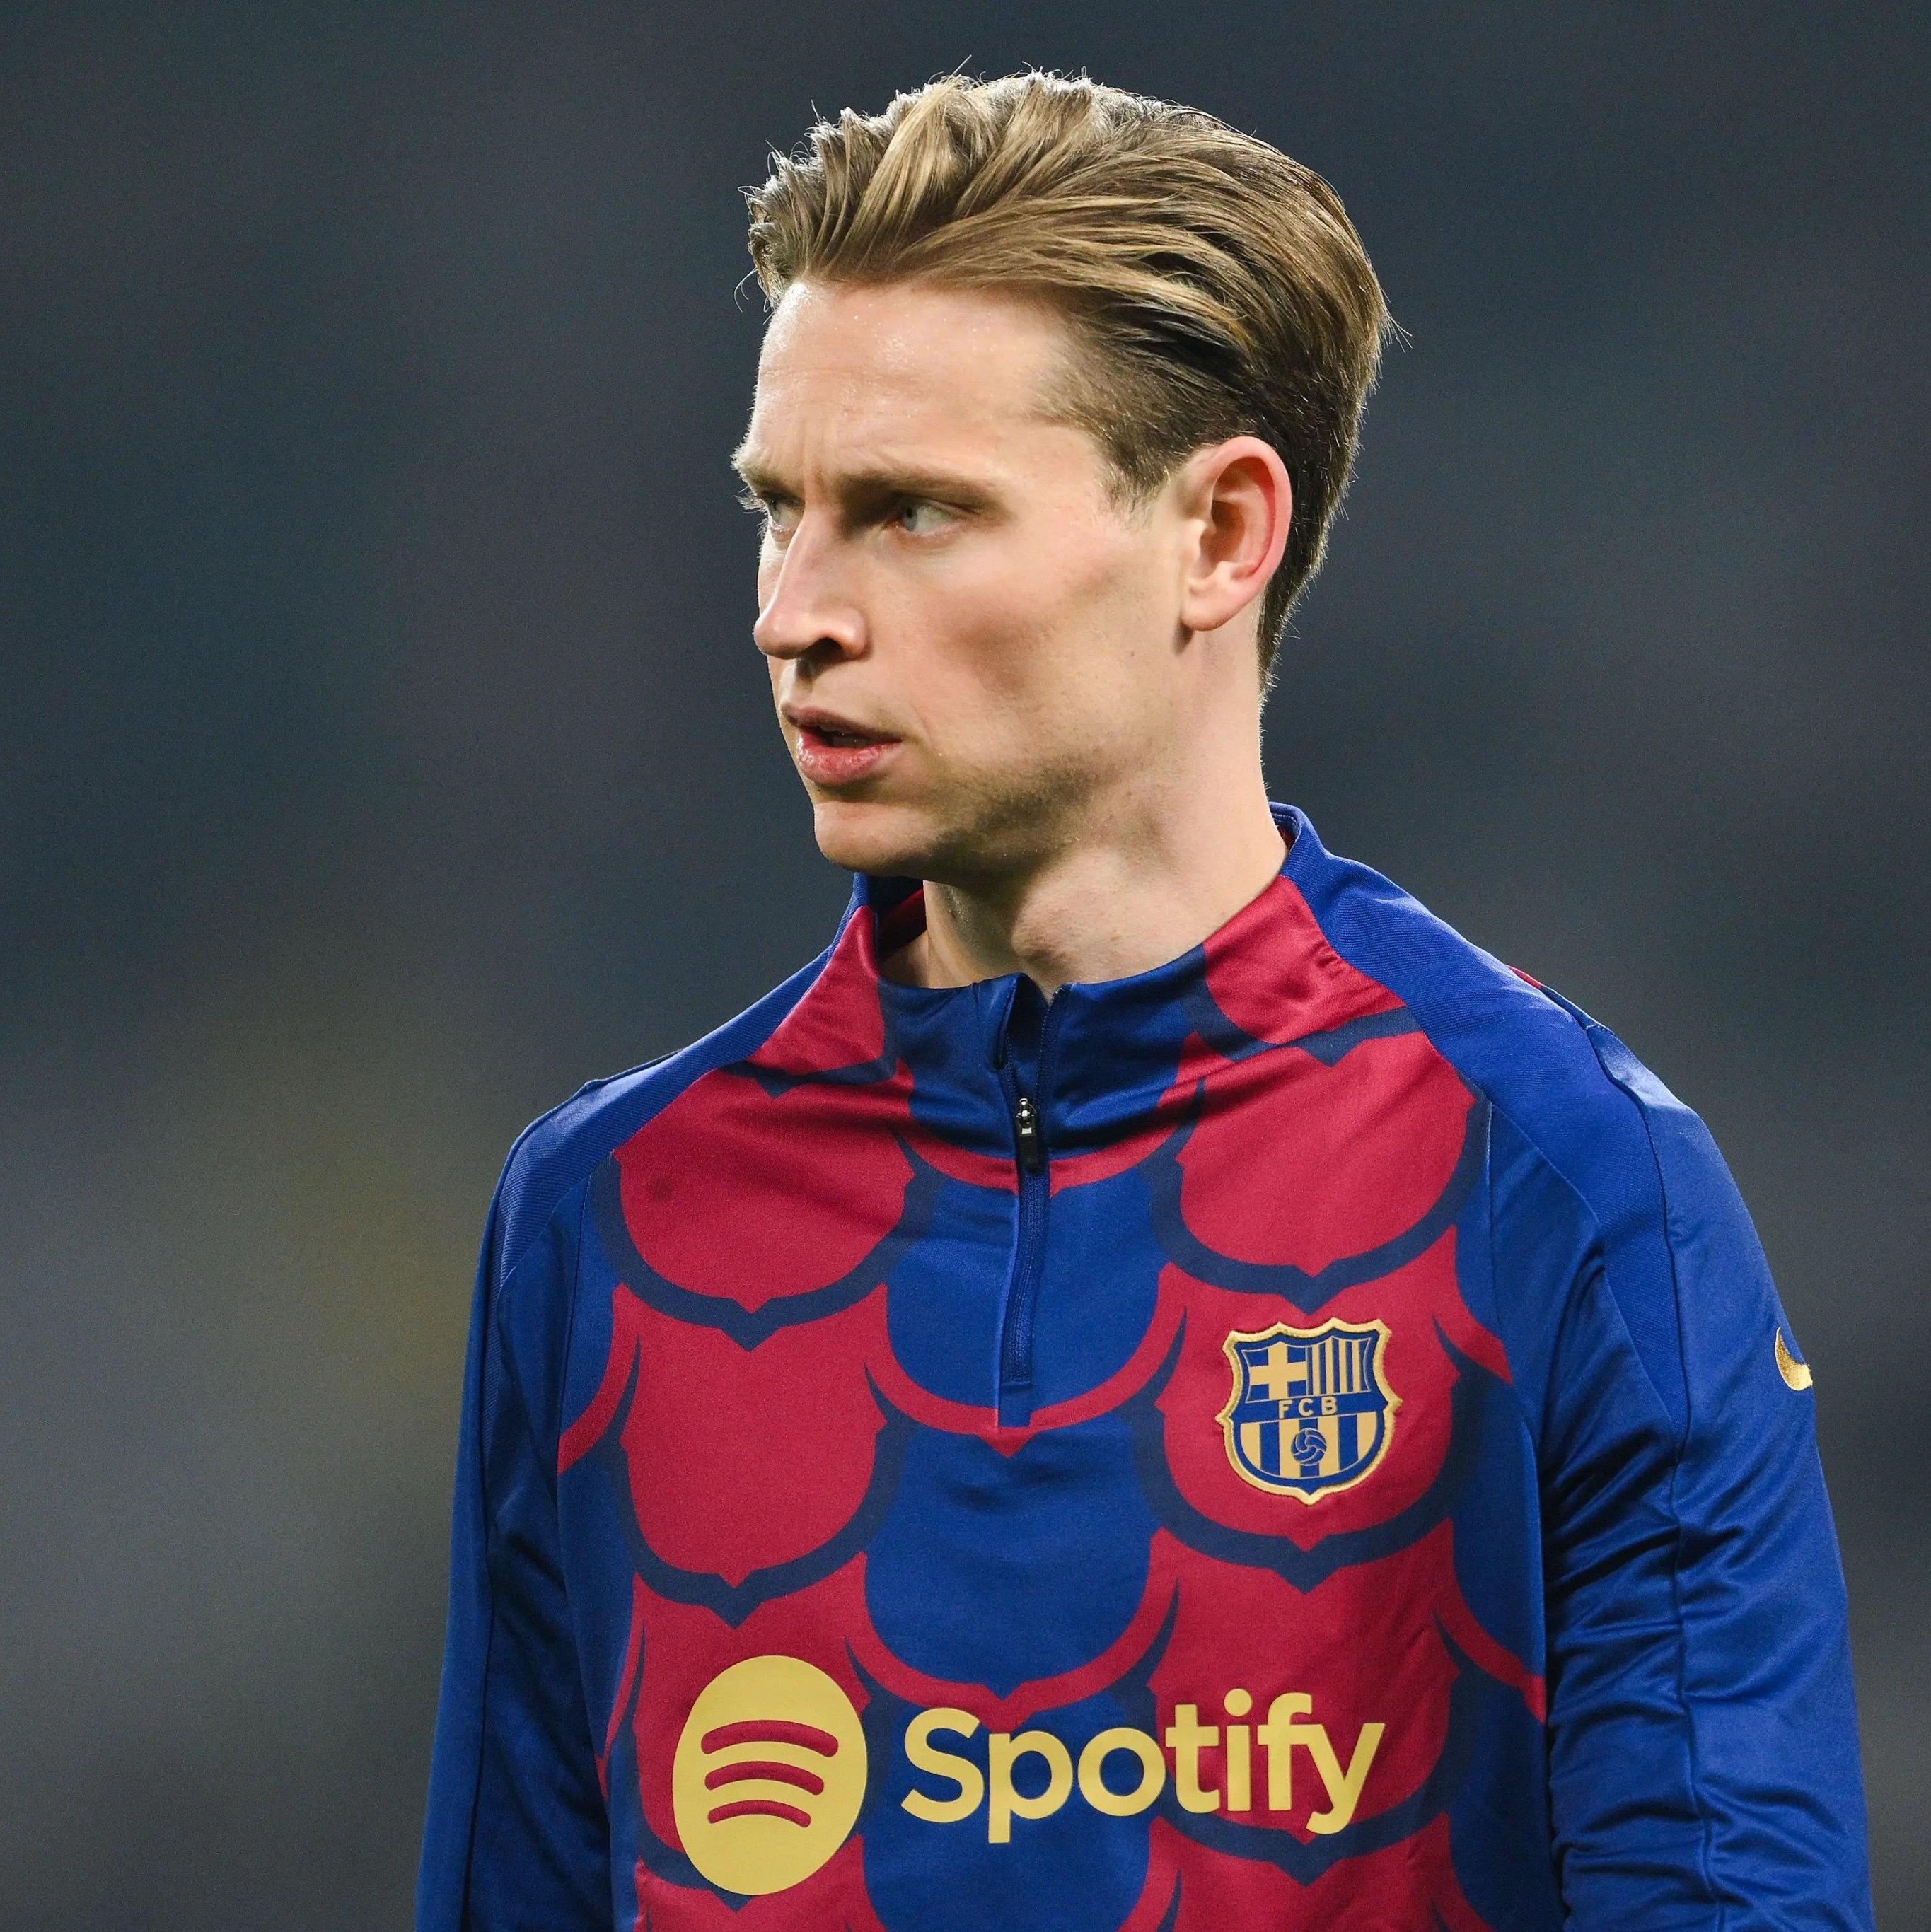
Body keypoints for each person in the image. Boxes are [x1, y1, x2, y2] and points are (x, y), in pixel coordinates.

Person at [414, 67, 1874, 1931]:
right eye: (779, 510)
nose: (795, 611)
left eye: (912, 512)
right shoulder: (605, 1220)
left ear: (1218, 535)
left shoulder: (1564, 1188)